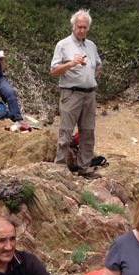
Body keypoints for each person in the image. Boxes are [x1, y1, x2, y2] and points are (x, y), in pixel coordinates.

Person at [50, 9, 102, 180]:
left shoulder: (91, 46)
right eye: (80, 27)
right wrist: (72, 63)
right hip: (71, 94)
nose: (82, 30)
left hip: (89, 95)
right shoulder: (63, 45)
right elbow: (54, 71)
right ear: (73, 26)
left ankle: (84, 167)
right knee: (66, 132)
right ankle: (60, 167)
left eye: (85, 27)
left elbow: (98, 66)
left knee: (88, 132)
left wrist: (89, 76)